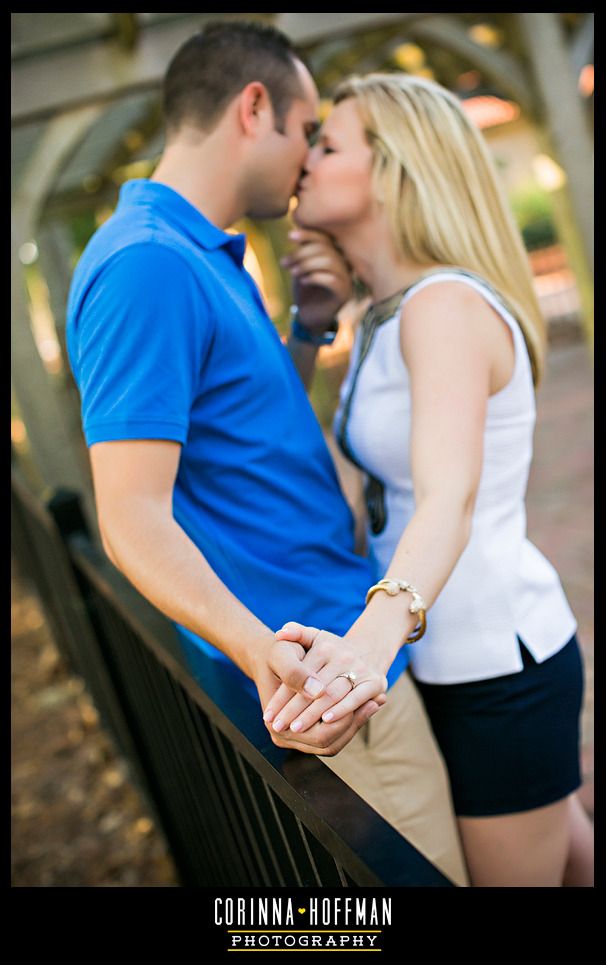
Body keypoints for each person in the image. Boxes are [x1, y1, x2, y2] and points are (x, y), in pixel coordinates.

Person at [65, 22, 468, 886]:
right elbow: (130, 511)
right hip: (322, 680)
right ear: (255, 108)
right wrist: (260, 651)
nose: (309, 157)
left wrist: (309, 332)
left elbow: (231, 432)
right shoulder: (148, 266)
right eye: (306, 129)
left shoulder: (199, 255)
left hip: (343, 649)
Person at [267, 72, 594, 886]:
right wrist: (311, 323)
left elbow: (448, 496)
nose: (305, 158)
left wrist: (367, 647)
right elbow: (279, 441)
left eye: (329, 144)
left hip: (494, 668)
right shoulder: (391, 309)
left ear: (393, 170)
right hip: (443, 660)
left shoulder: (442, 306)